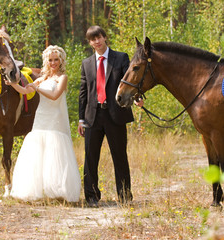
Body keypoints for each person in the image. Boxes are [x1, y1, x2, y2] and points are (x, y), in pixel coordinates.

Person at [7, 45, 81, 202]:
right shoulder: (43, 78)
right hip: (41, 117)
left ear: (61, 61)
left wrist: (37, 88)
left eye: (56, 60)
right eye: (50, 60)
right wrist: (12, 83)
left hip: (55, 118)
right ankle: (38, 191)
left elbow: (54, 95)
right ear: (46, 61)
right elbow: (25, 91)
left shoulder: (62, 78)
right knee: (39, 151)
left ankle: (57, 191)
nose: (53, 63)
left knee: (56, 151)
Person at [78, 25, 140, 207]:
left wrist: (137, 98)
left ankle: (124, 196)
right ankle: (91, 196)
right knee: (90, 158)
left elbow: (130, 81)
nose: (96, 41)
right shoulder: (86, 63)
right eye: (92, 39)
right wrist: (81, 119)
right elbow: (83, 93)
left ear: (105, 38)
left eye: (99, 37)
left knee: (119, 156)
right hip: (92, 116)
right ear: (90, 43)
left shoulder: (120, 58)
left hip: (115, 115)